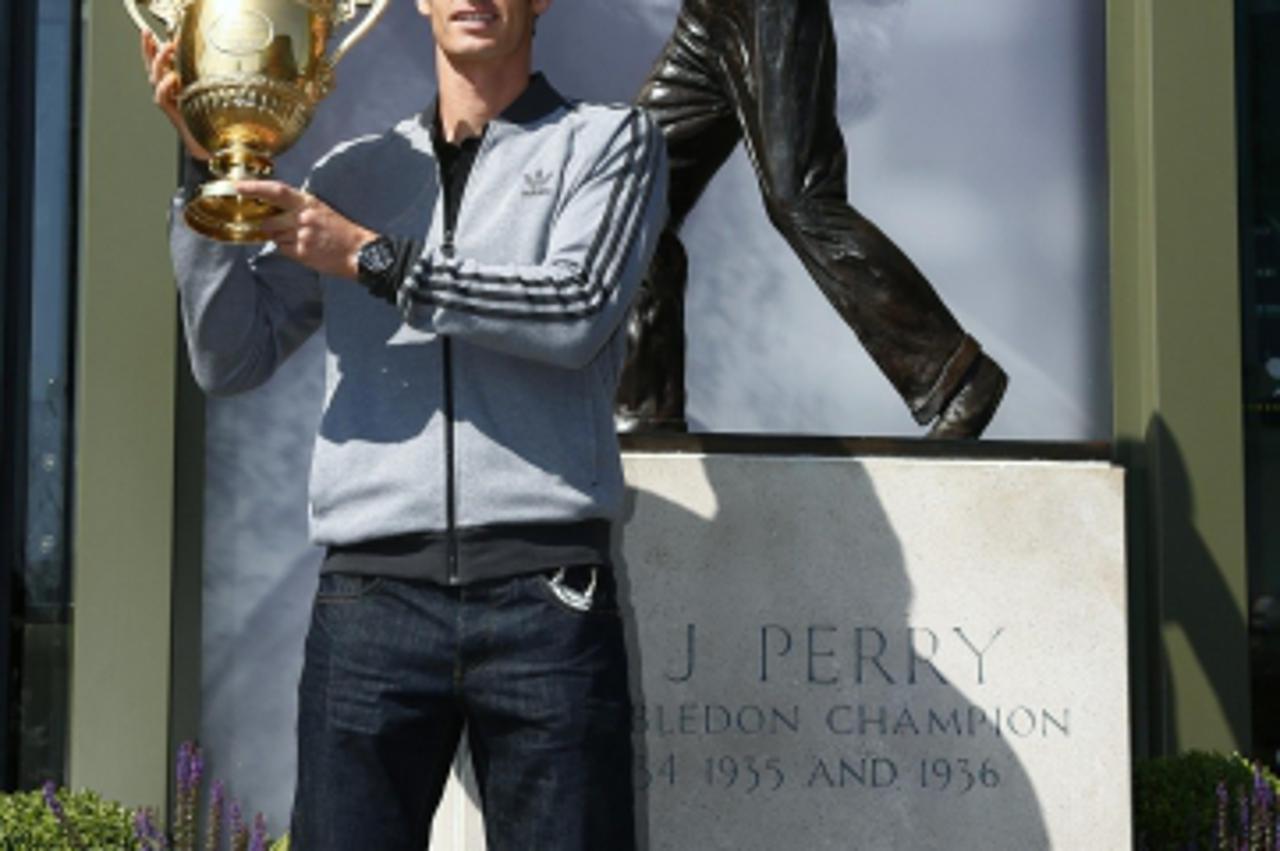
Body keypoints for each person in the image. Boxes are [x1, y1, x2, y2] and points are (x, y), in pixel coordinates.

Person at [143, 0, 668, 846]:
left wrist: (371, 257)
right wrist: (211, 179)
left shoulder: (608, 143)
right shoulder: (351, 174)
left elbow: (576, 311)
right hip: (370, 598)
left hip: (545, 594)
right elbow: (230, 358)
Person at [615, 0, 1008, 437]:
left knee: (801, 199)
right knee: (632, 197)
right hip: (706, 15)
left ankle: (959, 377)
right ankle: (646, 413)